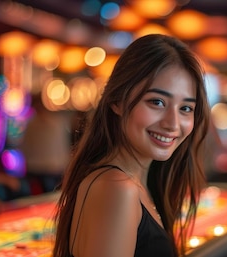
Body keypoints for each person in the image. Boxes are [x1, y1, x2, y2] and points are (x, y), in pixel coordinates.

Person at [53, 34, 210, 257]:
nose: (173, 124)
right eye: (157, 102)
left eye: (185, 108)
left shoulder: (137, 183)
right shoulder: (116, 187)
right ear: (117, 100)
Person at [21, 94, 71, 193]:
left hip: (42, 169)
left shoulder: (31, 124)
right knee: (50, 201)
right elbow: (63, 147)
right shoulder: (58, 122)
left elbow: (24, 148)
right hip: (50, 169)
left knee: (42, 201)